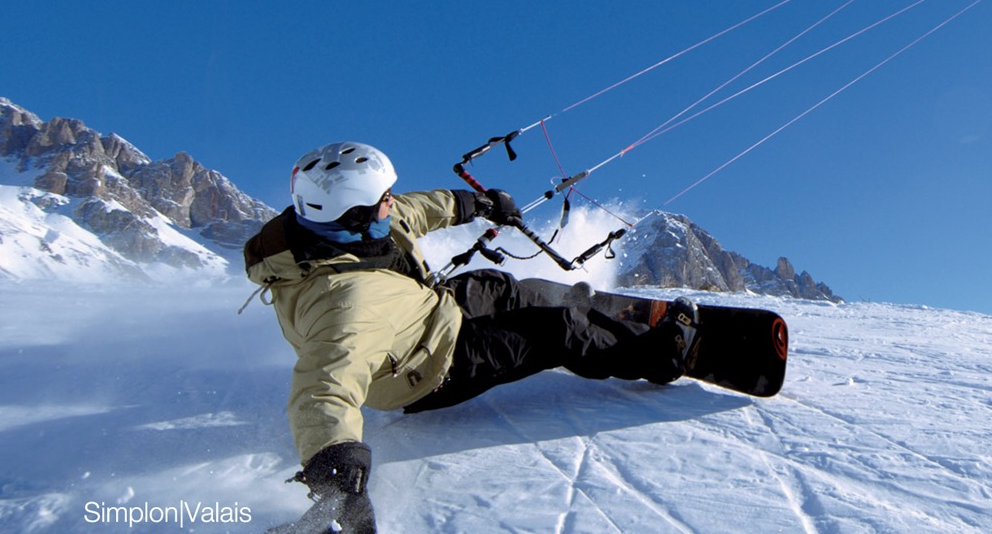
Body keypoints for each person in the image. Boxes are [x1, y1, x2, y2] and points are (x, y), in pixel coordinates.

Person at [244, 141, 697, 534]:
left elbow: (416, 209)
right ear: (356, 213)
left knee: (502, 286)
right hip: (430, 368)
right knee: (551, 332)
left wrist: (478, 205)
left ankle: (584, 310)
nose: (391, 201)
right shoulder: (342, 304)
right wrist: (337, 473)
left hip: (433, 310)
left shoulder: (348, 225)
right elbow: (323, 386)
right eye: (382, 198)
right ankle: (663, 353)